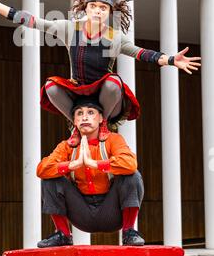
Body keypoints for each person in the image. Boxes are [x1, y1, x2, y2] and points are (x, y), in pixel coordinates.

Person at [0, 0, 201, 144]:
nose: (98, 11)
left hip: (104, 97)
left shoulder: (114, 36)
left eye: (103, 8)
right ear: (86, 8)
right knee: (50, 86)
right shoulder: (70, 29)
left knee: (113, 83)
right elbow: (34, 22)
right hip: (78, 95)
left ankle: (102, 125)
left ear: (109, 12)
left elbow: (141, 53)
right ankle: (76, 127)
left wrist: (171, 59)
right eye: (94, 6)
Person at [36, 94, 145, 247]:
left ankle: (129, 232)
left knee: (132, 176)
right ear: (74, 121)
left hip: (112, 212)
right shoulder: (67, 146)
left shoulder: (114, 140)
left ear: (101, 118)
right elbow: (42, 169)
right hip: (82, 213)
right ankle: (63, 234)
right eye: (79, 113)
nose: (84, 117)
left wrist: (94, 163)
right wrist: (71, 165)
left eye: (90, 112)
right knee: (49, 179)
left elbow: (130, 163)